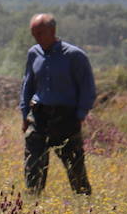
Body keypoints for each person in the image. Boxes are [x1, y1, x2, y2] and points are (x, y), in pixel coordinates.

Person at [20, 13, 96, 195]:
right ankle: (32, 205)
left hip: (65, 117)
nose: (36, 37)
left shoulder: (74, 56)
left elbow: (88, 89)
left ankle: (83, 203)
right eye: (33, 34)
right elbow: (27, 85)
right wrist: (25, 115)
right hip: (38, 116)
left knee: (74, 165)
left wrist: (79, 116)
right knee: (33, 165)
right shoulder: (34, 53)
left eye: (40, 33)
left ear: (52, 31)